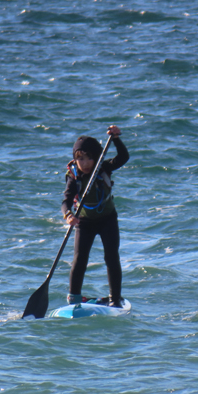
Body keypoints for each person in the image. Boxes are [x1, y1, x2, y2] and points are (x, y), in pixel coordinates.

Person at [61, 125, 129, 307]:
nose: (84, 163)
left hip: (107, 220)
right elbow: (66, 200)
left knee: (111, 257)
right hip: (84, 222)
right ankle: (74, 298)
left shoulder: (104, 168)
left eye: (89, 159)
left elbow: (124, 158)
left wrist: (116, 139)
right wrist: (68, 215)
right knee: (79, 258)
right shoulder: (73, 176)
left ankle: (115, 299)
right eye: (80, 159)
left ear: (97, 158)